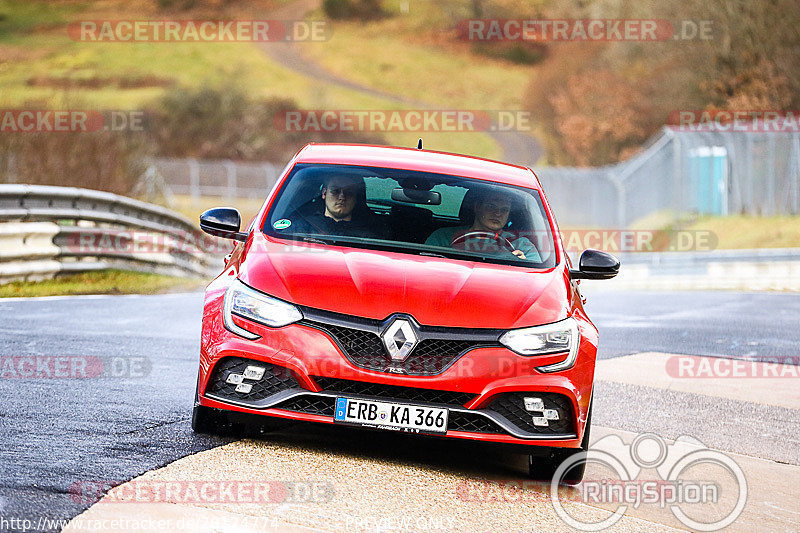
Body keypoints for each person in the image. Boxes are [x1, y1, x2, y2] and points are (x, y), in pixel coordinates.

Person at [425, 189, 540, 261]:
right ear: (477, 207)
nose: (498, 213)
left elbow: (535, 278)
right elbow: (426, 266)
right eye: (491, 206)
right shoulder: (442, 237)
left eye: (504, 209)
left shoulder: (522, 245)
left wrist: (520, 261)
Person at [291, 174, 387, 238]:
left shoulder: (370, 236)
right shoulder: (301, 228)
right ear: (324, 193)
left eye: (349, 193)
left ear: (356, 198)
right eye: (335, 191)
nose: (342, 197)